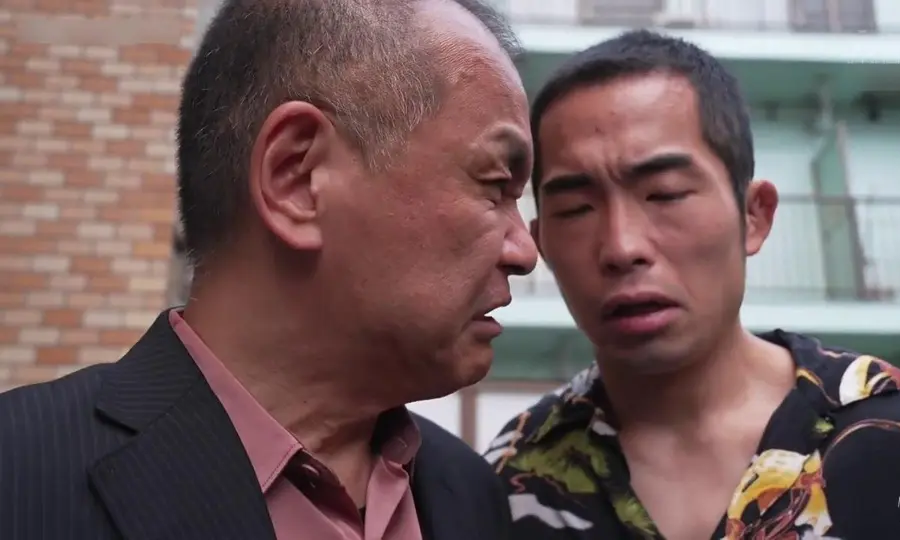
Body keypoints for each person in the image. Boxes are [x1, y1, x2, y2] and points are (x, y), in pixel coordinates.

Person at [0, 0, 536, 538]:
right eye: (495, 186)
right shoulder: (21, 478)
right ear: (297, 178)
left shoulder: (471, 494)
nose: (525, 252)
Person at [484, 29, 900, 540]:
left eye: (665, 194)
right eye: (577, 209)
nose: (621, 247)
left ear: (754, 216)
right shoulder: (513, 482)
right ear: (542, 243)